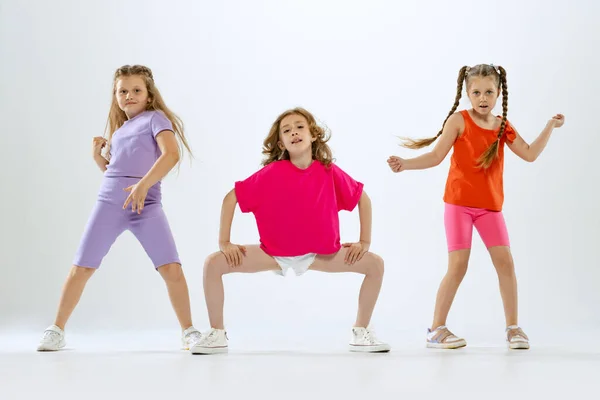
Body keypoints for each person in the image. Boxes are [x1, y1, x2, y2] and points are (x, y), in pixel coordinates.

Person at [388, 64, 565, 350]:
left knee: (506, 263)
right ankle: (436, 329)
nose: (483, 98)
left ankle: (513, 328)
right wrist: (406, 165)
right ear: (467, 94)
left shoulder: (503, 127)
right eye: (477, 92)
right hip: (458, 206)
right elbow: (435, 156)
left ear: (498, 94)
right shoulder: (459, 121)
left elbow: (530, 154)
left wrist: (550, 126)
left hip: (490, 209)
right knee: (458, 265)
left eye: (489, 92)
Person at [191, 107, 390, 354]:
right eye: (286, 130)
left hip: (321, 254)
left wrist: (364, 242)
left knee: (375, 265)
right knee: (213, 264)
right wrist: (225, 242)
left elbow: (363, 198)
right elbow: (231, 198)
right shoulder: (272, 172)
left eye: (299, 127)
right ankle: (217, 333)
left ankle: (361, 331)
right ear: (281, 143)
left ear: (313, 135)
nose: (293, 132)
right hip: (273, 253)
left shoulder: (328, 171)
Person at [37, 65, 201, 351]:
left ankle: (189, 331)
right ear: (115, 96)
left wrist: (143, 186)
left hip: (146, 205)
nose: (129, 95)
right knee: (82, 266)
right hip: (109, 204)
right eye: (122, 91)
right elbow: (115, 171)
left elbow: (171, 154)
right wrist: (97, 158)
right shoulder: (121, 130)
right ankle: (56, 329)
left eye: (136, 90)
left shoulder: (156, 119)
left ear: (149, 95)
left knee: (171, 267)